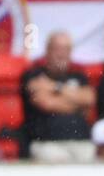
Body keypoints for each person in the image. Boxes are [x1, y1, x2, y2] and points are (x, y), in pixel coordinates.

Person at [20, 31, 96, 161]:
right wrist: (77, 105)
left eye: (66, 49)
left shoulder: (79, 76)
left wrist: (55, 87)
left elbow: (89, 99)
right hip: (47, 143)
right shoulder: (34, 75)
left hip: (82, 142)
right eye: (57, 49)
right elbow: (46, 103)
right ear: (47, 51)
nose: (61, 54)